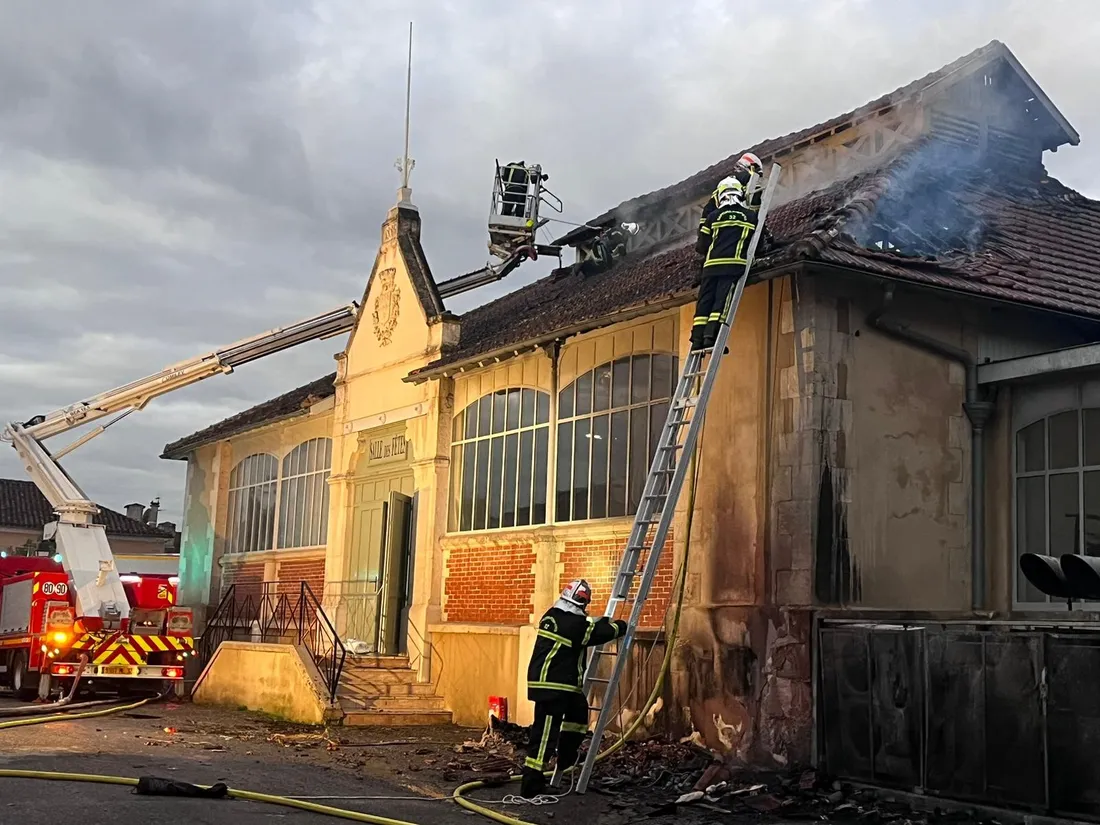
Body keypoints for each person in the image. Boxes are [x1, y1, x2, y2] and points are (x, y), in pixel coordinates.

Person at [521, 579, 627, 799]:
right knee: (544, 735)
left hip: (562, 685)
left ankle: (567, 754)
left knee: (578, 713)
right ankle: (531, 783)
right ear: (580, 601)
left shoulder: (555, 614)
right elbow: (594, 633)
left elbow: (586, 627)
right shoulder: (573, 624)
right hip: (553, 686)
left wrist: (602, 621)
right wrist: (620, 626)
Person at [692, 175, 771, 352]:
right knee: (722, 302)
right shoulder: (750, 216)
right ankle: (711, 338)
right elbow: (757, 245)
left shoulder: (713, 217)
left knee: (705, 301)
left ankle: (698, 339)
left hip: (710, 266)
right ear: (741, 194)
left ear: (720, 196)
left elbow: (702, 246)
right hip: (733, 265)